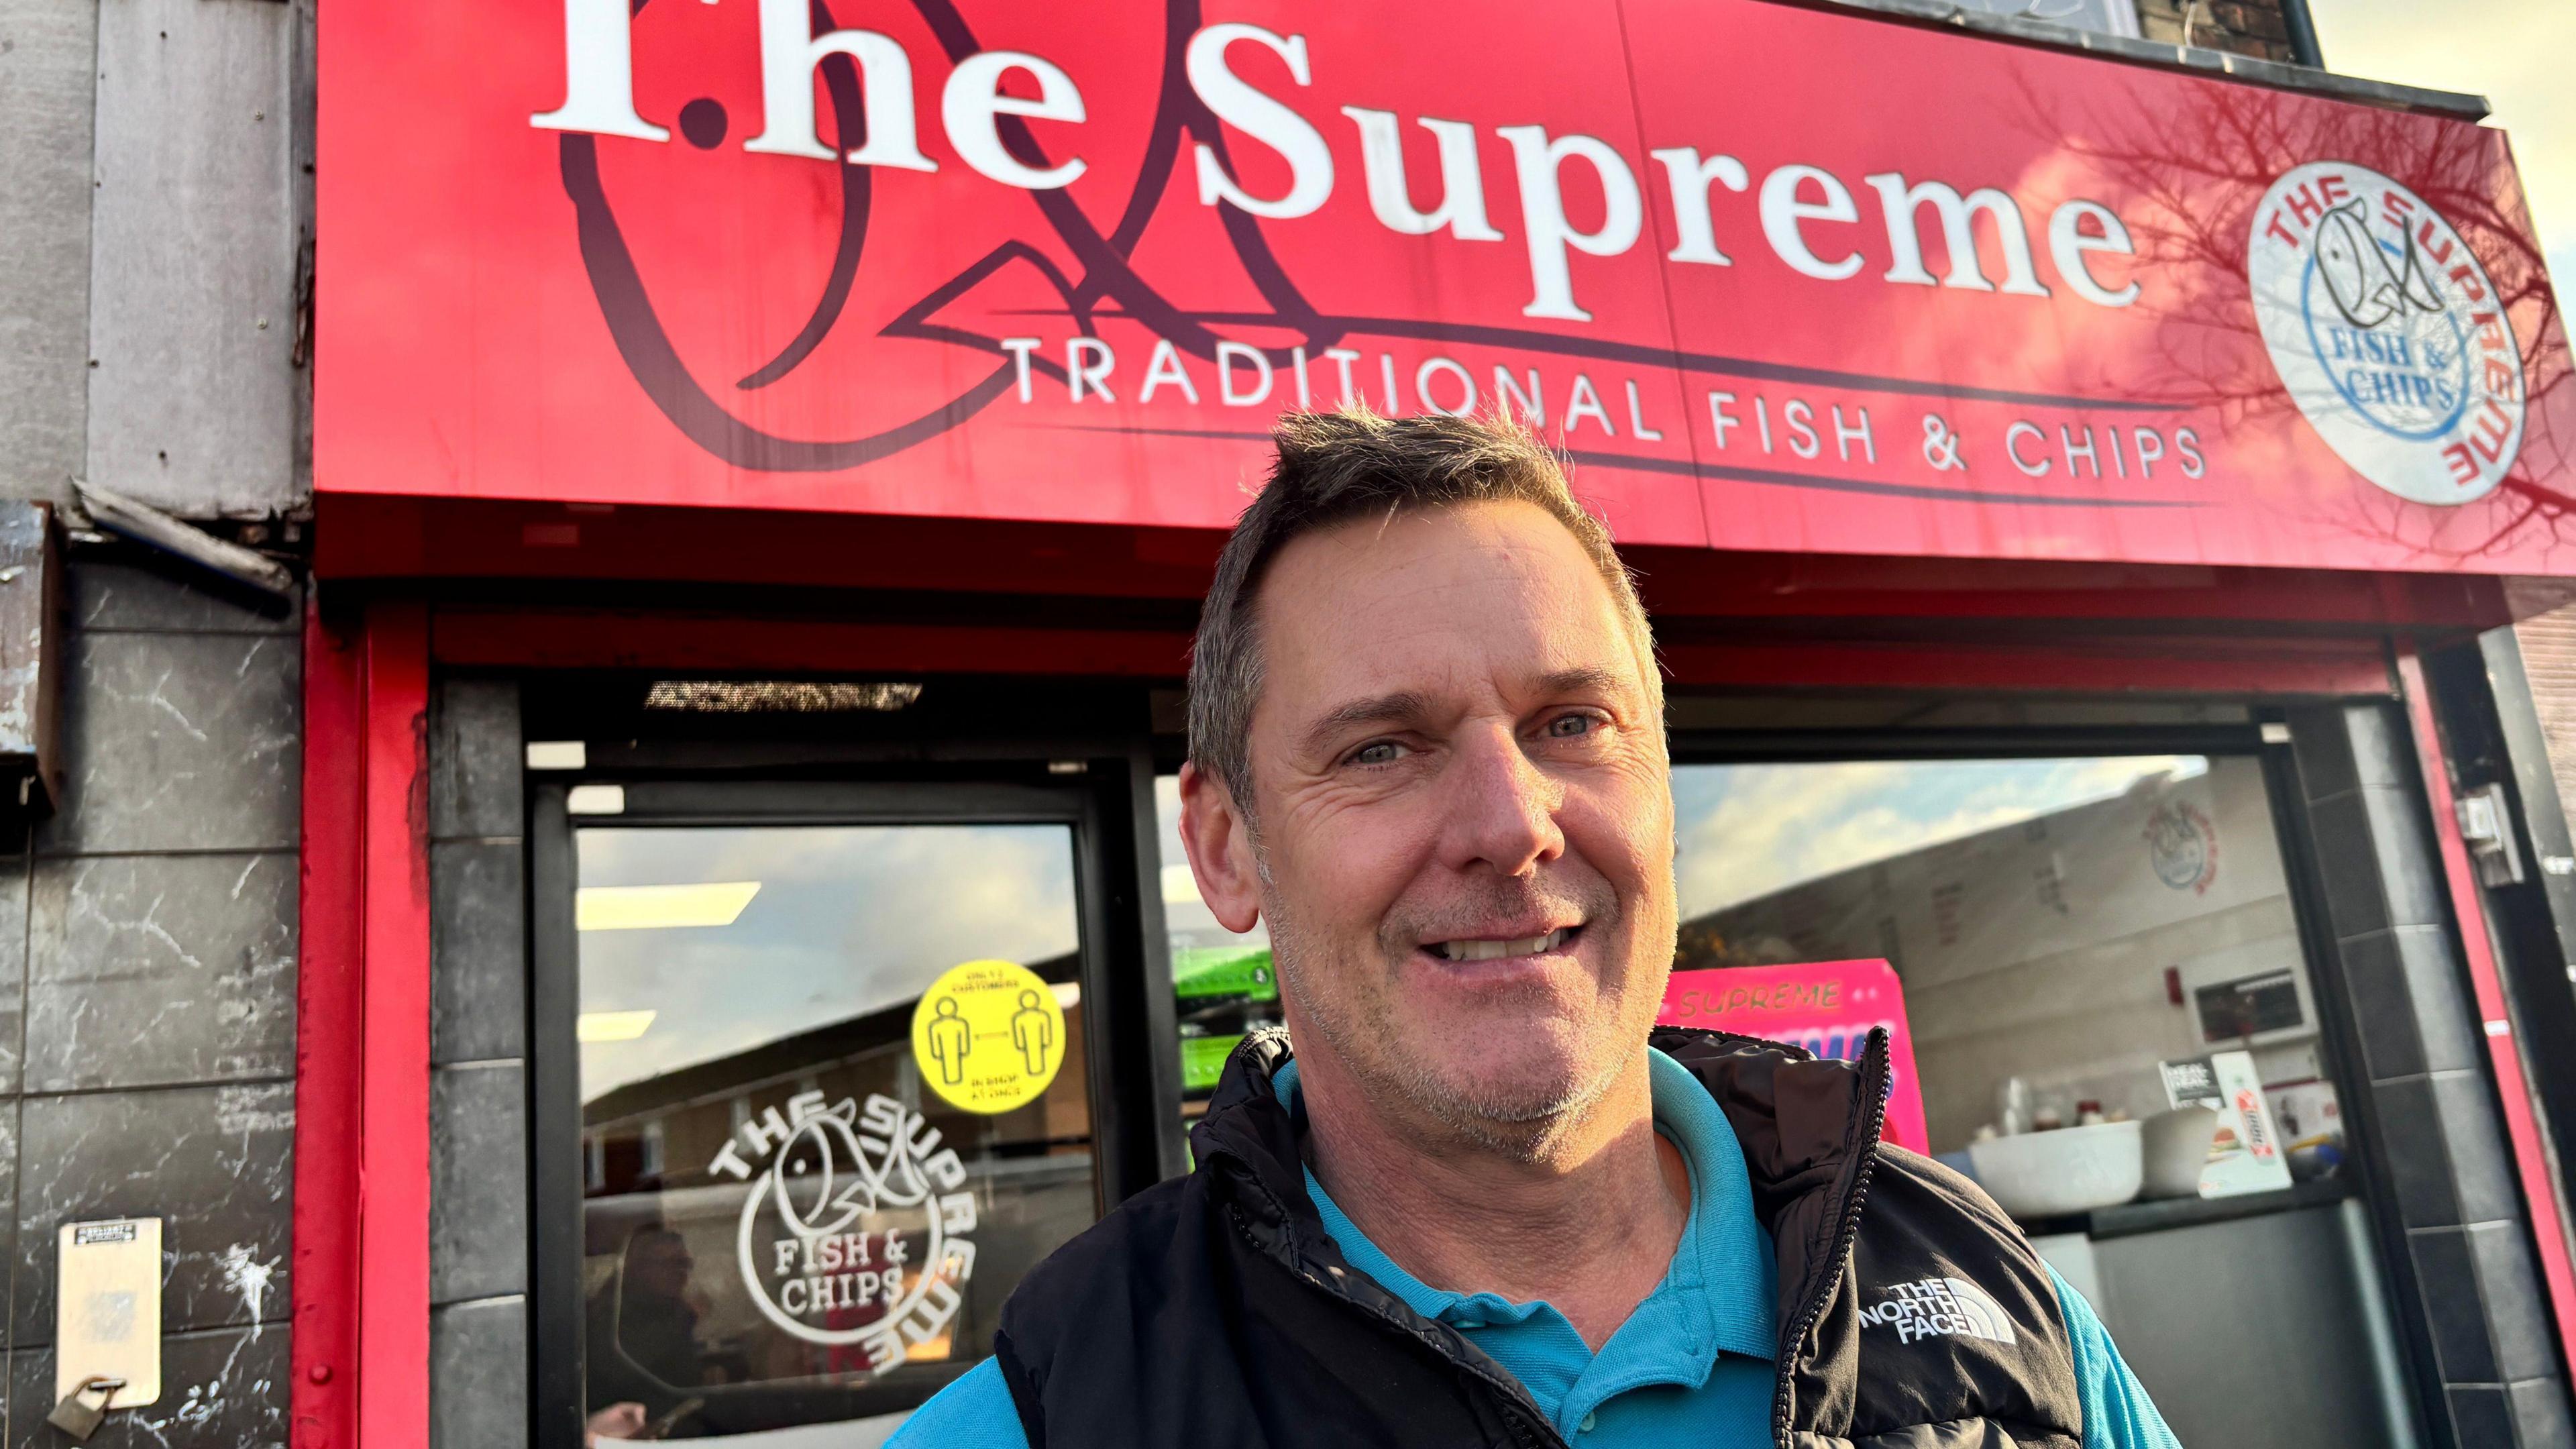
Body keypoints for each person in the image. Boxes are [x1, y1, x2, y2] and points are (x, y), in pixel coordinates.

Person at [891, 410, 2180, 1447]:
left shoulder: (1996, 1314)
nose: (1513, 825)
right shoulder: (1055, 1413)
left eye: (1572, 723)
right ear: (1228, 849)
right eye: (1382, 747)